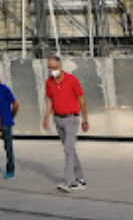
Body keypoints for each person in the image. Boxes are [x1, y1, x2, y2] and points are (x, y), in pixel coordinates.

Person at [42, 56, 89, 192]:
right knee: (70, 150)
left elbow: (81, 100)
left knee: (68, 150)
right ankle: (80, 178)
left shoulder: (71, 80)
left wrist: (85, 120)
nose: (52, 71)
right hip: (58, 118)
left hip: (71, 119)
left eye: (54, 68)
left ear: (60, 67)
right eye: (49, 68)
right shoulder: (49, 82)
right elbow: (50, 101)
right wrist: (46, 118)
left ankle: (68, 181)